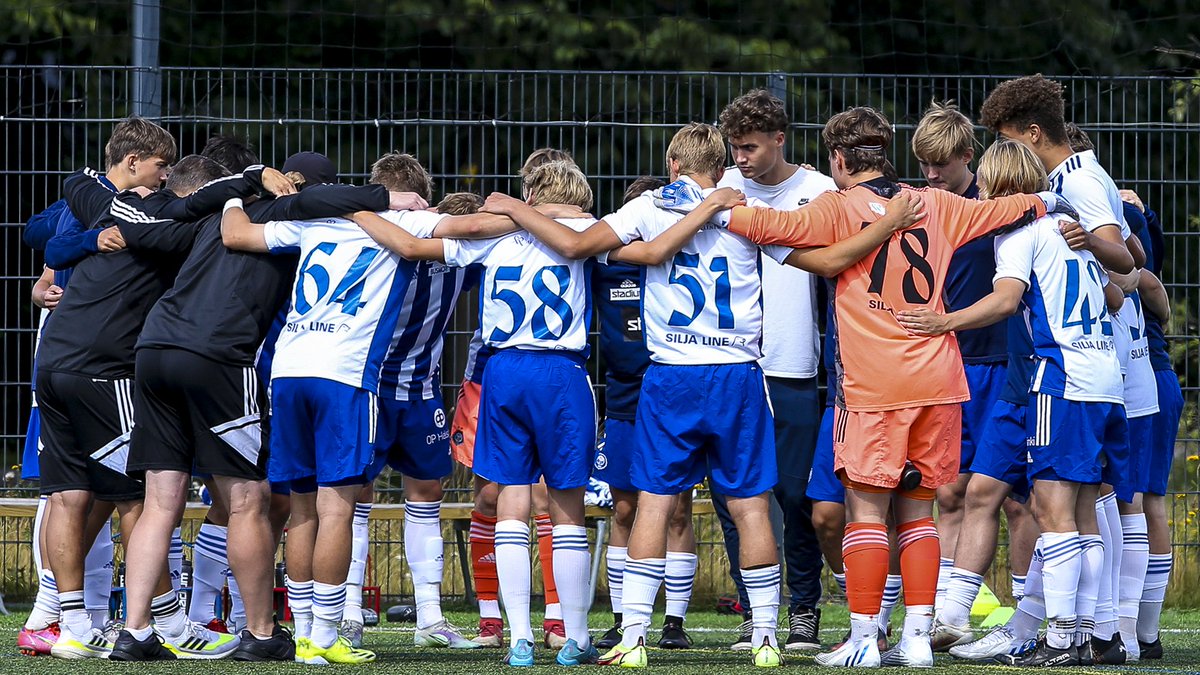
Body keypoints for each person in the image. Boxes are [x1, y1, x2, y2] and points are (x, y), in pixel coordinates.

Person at [474, 123, 925, 669]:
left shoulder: (647, 209)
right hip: (737, 373)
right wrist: (890, 222)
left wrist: (517, 208)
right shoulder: (745, 210)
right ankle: (764, 637)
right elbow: (829, 263)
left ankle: (634, 637)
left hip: (673, 376)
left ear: (670, 165)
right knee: (751, 505)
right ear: (721, 168)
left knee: (655, 503)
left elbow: (573, 243)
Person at [722, 107, 1066, 668]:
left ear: (838, 159)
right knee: (919, 514)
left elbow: (764, 226)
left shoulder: (837, 207)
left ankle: (864, 638)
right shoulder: (936, 203)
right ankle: (916, 639)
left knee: (865, 512)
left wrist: (716, 208)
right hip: (938, 378)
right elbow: (1007, 208)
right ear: (886, 152)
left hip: (874, 386)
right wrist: (1050, 202)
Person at [110, 157, 415, 662]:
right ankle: (259, 631)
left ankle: (135, 629)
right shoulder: (294, 216)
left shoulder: (214, 216)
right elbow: (318, 203)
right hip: (220, 357)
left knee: (161, 501)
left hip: (154, 348)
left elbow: (150, 230)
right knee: (248, 500)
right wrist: (383, 198)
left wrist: (236, 187)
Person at [220, 153, 512, 665]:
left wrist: (231, 191)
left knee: (304, 508)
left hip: (289, 371)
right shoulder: (406, 220)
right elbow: (474, 225)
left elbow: (237, 234)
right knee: (339, 506)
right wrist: (536, 212)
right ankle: (330, 633)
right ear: (413, 195)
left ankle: (306, 627)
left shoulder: (314, 220)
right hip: (347, 377)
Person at [347, 160, 618, 667]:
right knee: (565, 508)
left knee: (508, 502)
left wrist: (354, 208)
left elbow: (409, 247)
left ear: (530, 193)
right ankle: (573, 634)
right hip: (559, 370)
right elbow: (587, 230)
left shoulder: (495, 235)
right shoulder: (584, 228)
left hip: (503, 369)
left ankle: (518, 636)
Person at [900, 139, 1127, 667]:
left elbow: (1005, 300)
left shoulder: (1020, 233)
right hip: (1093, 376)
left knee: (1053, 510)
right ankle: (965, 620)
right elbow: (1116, 294)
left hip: (1057, 378)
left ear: (1001, 189)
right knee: (1009, 495)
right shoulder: (1069, 228)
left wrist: (944, 322)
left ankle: (1063, 634)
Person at [34, 118, 178, 660]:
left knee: (68, 495)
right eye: (160, 167)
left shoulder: (94, 196)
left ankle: (68, 622)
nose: (163, 180)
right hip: (102, 369)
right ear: (135, 161)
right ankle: (161, 619)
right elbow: (43, 236)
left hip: (54, 363)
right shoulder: (135, 210)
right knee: (139, 498)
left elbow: (57, 232)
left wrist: (86, 236)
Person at [715, 89, 832, 652]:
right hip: (728, 364)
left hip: (792, 364)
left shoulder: (817, 190)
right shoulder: (721, 193)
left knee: (794, 494)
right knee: (734, 497)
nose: (741, 157)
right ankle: (753, 608)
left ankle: (804, 607)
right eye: (734, 148)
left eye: (751, 147)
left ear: (780, 139)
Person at [591, 176, 700, 652]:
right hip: (622, 397)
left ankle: (673, 622)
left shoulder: (678, 260)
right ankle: (621, 618)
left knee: (677, 509)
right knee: (624, 507)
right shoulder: (605, 262)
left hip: (673, 391)